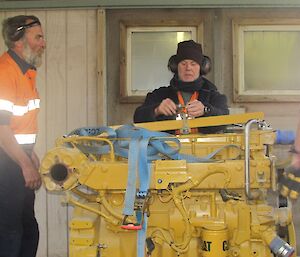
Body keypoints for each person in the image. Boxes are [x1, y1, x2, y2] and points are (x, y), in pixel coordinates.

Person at [0, 15, 46, 257]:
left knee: (28, 228)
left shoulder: (26, 72)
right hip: (6, 163)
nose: (43, 43)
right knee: (10, 232)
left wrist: (31, 154)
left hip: (18, 157)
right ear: (19, 40)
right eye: (38, 37)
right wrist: (25, 164)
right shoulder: (5, 72)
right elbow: (1, 128)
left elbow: (19, 125)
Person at [133, 40, 229, 134]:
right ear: (175, 67)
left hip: (207, 149)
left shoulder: (213, 95)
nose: (188, 68)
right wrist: (156, 110)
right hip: (168, 148)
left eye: (193, 64)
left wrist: (206, 110)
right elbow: (137, 118)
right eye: (183, 63)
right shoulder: (159, 95)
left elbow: (225, 119)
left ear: (202, 68)